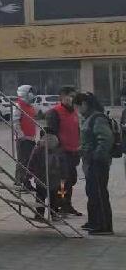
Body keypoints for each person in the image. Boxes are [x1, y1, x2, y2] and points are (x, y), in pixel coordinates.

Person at [74, 92, 114, 235]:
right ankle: (94, 221)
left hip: (97, 163)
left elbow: (106, 139)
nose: (77, 110)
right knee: (92, 192)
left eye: (78, 107)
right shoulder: (89, 118)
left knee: (99, 193)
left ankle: (104, 226)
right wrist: (82, 149)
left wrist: (97, 156)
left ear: (84, 104)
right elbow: (89, 140)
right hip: (90, 162)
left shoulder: (97, 118)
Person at [45, 86, 82, 216]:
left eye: (74, 96)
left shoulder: (74, 112)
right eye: (69, 96)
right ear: (62, 97)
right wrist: (57, 151)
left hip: (73, 152)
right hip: (61, 154)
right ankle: (57, 206)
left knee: (70, 180)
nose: (72, 99)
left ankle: (67, 204)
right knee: (61, 182)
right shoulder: (54, 113)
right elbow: (51, 135)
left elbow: (77, 131)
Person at [28, 122, 63, 221]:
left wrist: (28, 175)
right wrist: (64, 175)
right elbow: (63, 163)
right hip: (55, 178)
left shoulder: (38, 148)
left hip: (40, 177)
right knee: (54, 197)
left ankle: (39, 214)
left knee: (40, 197)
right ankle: (54, 214)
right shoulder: (58, 148)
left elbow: (32, 162)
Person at [12, 85, 37, 190]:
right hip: (23, 139)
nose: (32, 94)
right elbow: (15, 121)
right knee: (23, 161)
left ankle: (26, 181)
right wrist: (21, 135)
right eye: (29, 92)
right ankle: (19, 182)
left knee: (29, 162)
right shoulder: (18, 106)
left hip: (31, 138)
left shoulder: (30, 106)